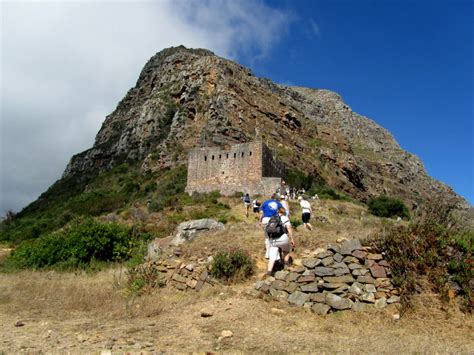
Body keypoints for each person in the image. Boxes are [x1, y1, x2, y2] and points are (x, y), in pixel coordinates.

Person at [266, 207, 294, 275]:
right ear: (284, 212)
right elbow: (289, 228)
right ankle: (286, 265)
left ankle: (269, 272)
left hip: (272, 240)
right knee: (286, 251)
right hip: (282, 238)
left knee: (272, 259)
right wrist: (292, 238)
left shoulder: (272, 218)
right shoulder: (285, 218)